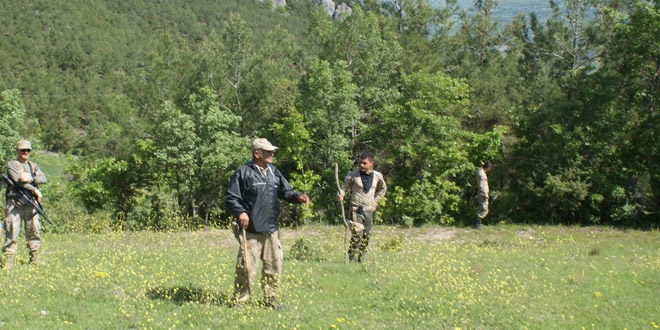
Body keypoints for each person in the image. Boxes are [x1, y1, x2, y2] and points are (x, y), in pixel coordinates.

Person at [224, 138, 310, 310]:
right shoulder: (243, 172)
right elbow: (231, 197)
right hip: (251, 230)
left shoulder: (274, 172)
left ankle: (270, 298)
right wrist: (241, 212)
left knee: (274, 264)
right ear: (257, 154)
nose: (272, 154)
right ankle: (241, 299)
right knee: (246, 267)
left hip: (271, 229)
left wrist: (297, 197)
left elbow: (285, 191)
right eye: (268, 151)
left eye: (272, 151)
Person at [3, 140, 47, 269]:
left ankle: (35, 258)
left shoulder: (33, 166)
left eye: (28, 150)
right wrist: (35, 189)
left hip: (30, 203)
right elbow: (19, 181)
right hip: (15, 203)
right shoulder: (12, 164)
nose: (25, 152)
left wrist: (31, 178)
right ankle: (8, 261)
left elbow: (44, 178)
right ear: (17, 151)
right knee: (12, 231)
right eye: (23, 150)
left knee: (34, 230)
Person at [337, 153, 387, 262]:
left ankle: (361, 259)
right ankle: (352, 258)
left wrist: (375, 201)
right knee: (357, 234)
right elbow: (344, 188)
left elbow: (383, 189)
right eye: (360, 163)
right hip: (356, 209)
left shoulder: (377, 176)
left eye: (364, 163)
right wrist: (341, 194)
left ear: (371, 164)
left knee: (366, 236)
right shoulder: (353, 175)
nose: (362, 165)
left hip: (368, 210)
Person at [475, 161, 492, 230]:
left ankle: (479, 223)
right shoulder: (482, 174)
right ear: (488, 168)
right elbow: (482, 185)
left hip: (481, 193)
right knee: (484, 209)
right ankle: (478, 222)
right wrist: (485, 194)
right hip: (483, 193)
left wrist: (483, 164)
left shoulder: (480, 171)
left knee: (481, 208)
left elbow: (480, 168)